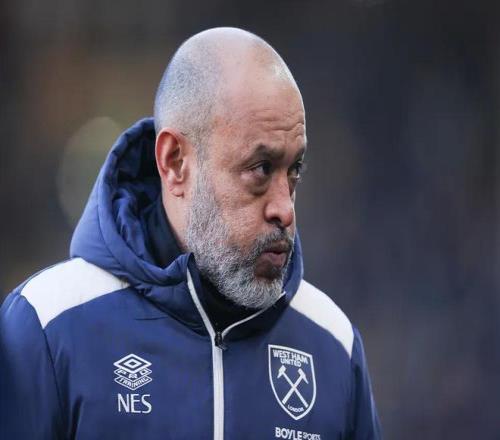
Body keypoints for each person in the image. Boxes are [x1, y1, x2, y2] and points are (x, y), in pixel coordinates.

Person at [0, 27, 381, 439]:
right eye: (260, 169)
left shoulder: (333, 345)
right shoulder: (47, 326)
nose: (285, 209)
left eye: (294, 172)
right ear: (175, 162)